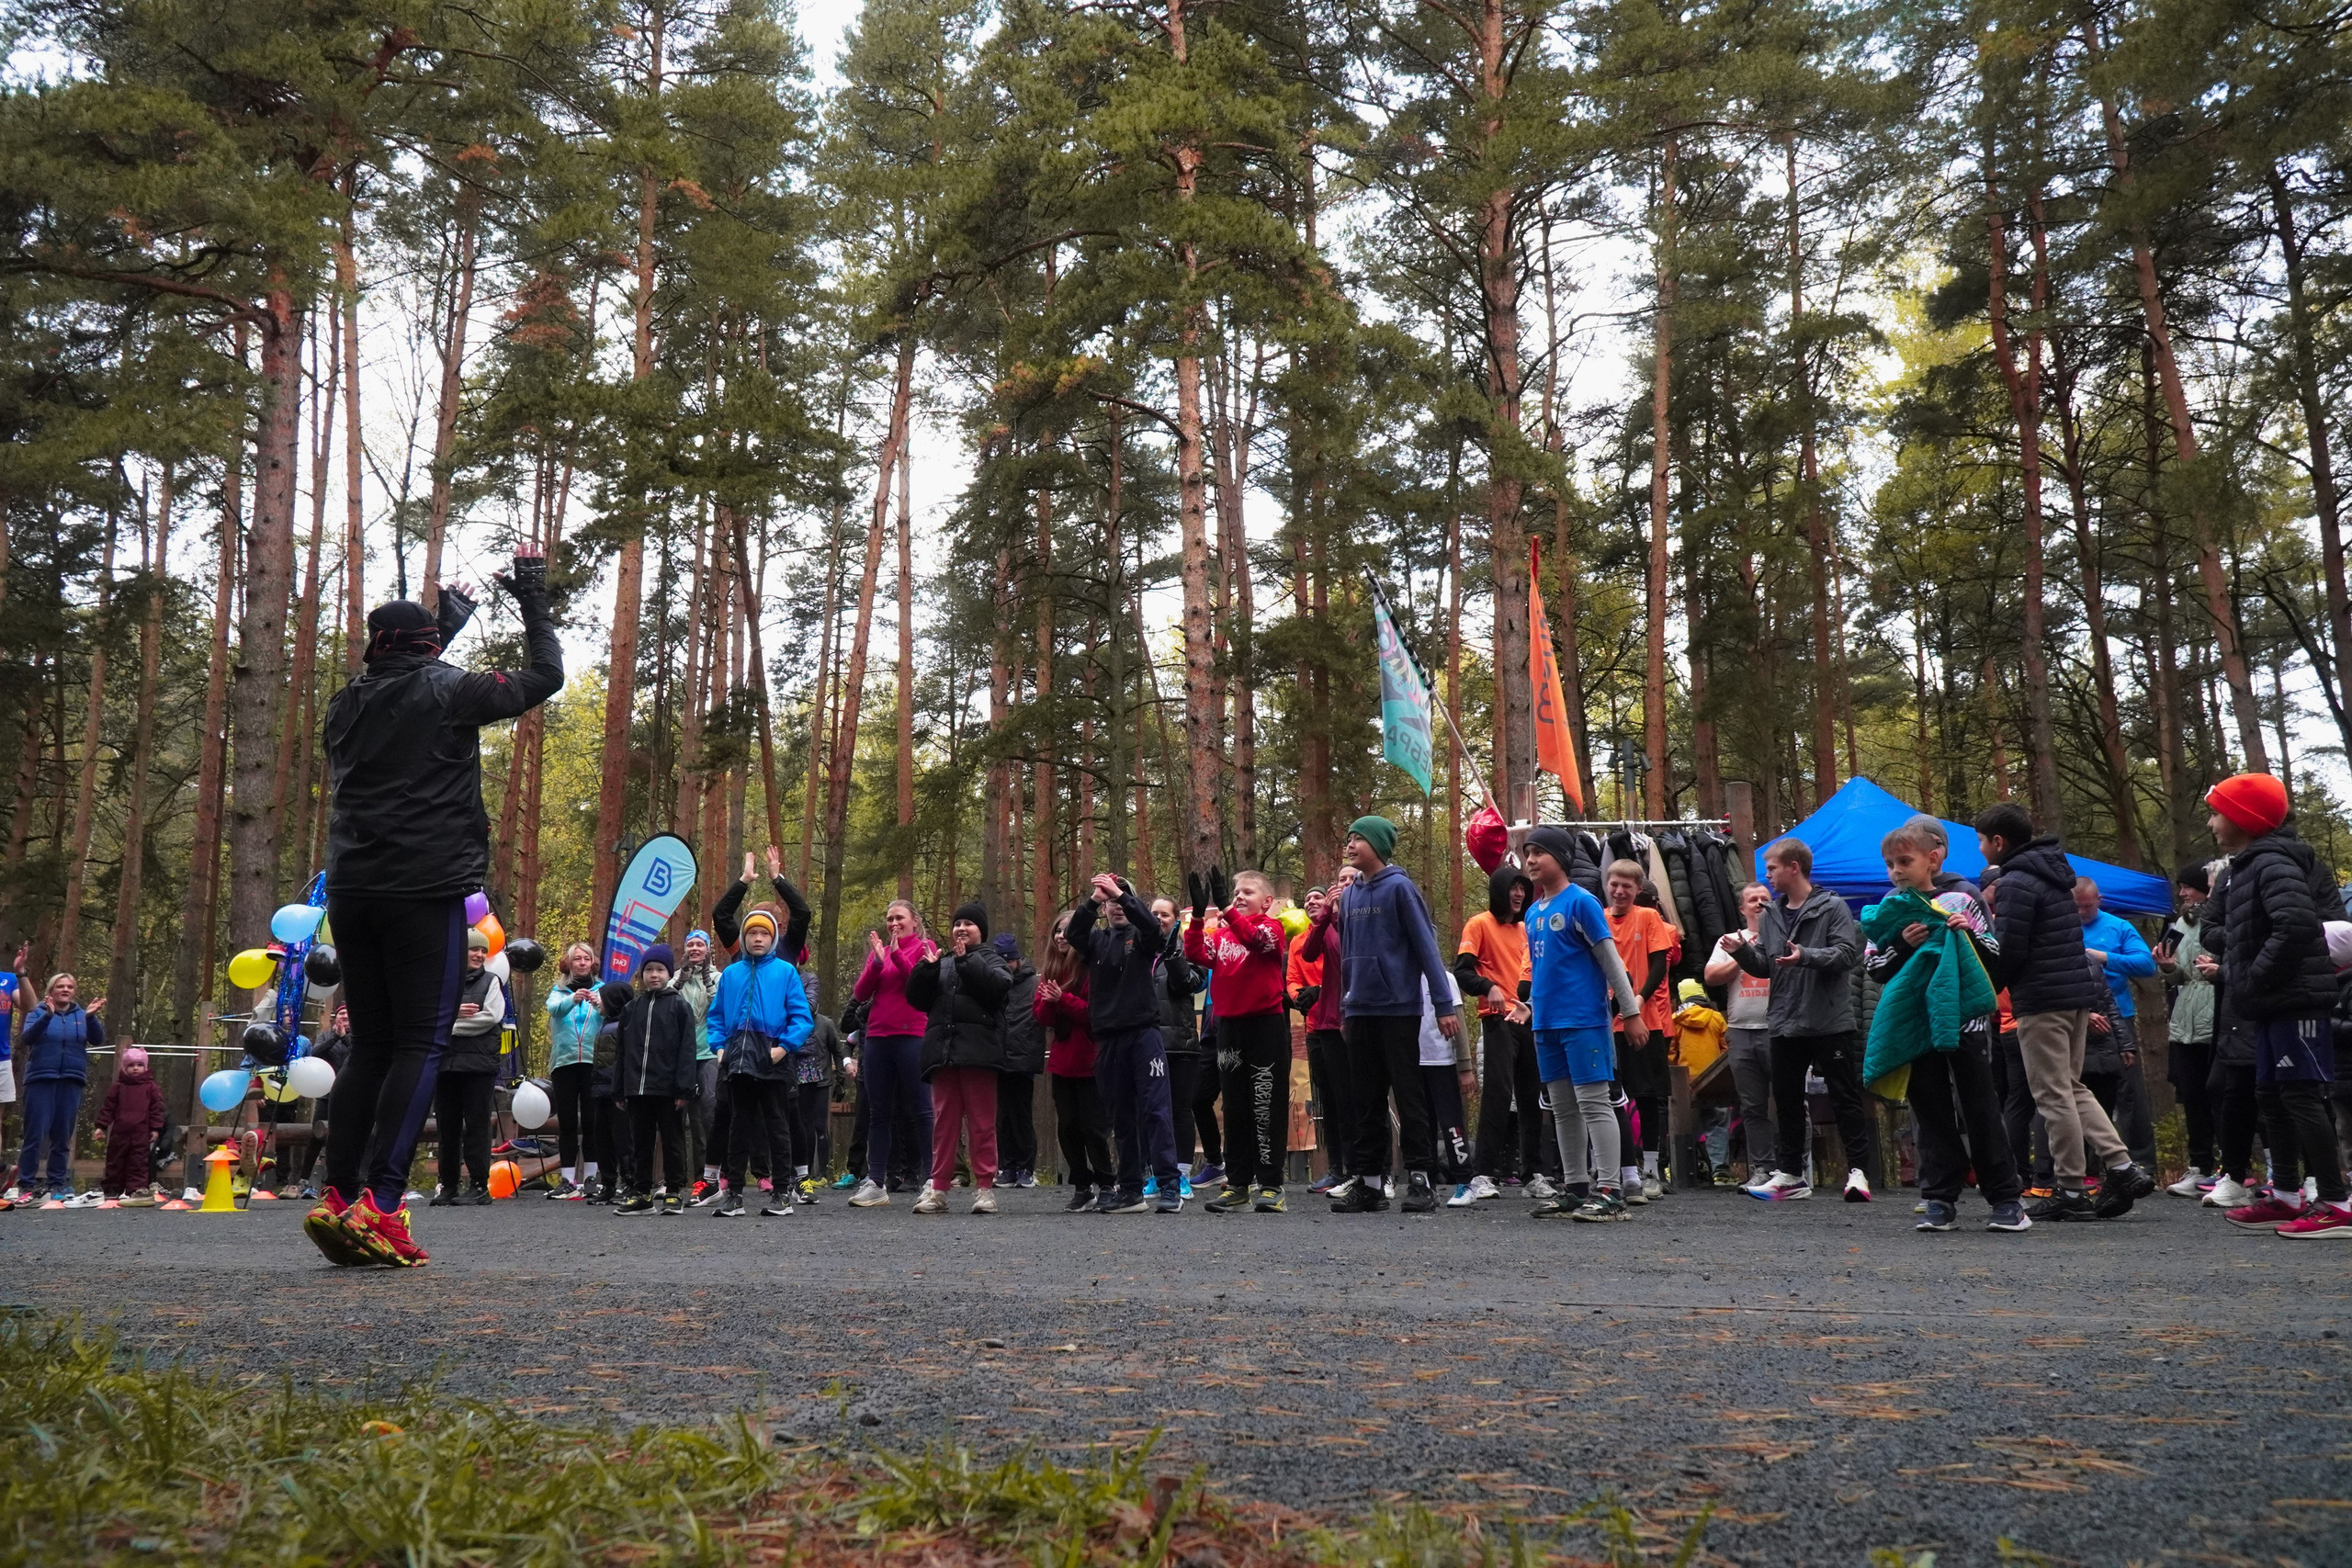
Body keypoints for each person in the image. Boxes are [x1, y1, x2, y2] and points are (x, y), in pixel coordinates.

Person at [305, 545, 560, 1267]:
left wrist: (442, 625)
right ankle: (385, 1205)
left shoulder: (344, 706)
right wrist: (532, 598)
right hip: (423, 890)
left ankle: (339, 1194)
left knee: (373, 1046)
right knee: (421, 1042)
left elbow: (399, 678)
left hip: (353, 892)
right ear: (425, 648)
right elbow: (546, 675)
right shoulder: (449, 692)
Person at [1972, 803, 2153, 1223]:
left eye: (1982, 841)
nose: (1980, 848)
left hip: (2041, 1000)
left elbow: (2011, 949)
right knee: (2070, 1088)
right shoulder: (2054, 876)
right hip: (2076, 996)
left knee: (2051, 1094)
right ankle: (2123, 1166)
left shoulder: (2016, 882)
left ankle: (2071, 1188)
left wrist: (1985, 988)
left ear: (1998, 842)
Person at [2199, 773, 2352, 1237]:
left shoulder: (2274, 863)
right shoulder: (2248, 865)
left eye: (2217, 812)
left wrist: (2252, 976)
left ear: (2243, 819)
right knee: (2271, 1096)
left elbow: (2297, 925)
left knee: (2302, 1096)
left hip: (2294, 999)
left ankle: (2337, 1203)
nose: (2211, 823)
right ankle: (2286, 1193)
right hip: (2271, 1002)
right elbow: (2222, 928)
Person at [1861, 815, 2029, 1233]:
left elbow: (1994, 957)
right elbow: (1875, 967)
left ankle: (2006, 1200)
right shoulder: (1887, 910)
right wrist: (1903, 943)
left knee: (1980, 1108)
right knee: (1931, 1113)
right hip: (1914, 1026)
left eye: (1904, 861)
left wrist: (1967, 934)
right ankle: (1939, 1199)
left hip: (1964, 1024)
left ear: (1933, 859)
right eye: (1890, 865)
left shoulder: (1963, 898)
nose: (1896, 871)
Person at [1328, 817, 1460, 1216]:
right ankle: (1368, 1183)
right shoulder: (1349, 896)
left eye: (1358, 839)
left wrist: (1443, 1005)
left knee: (1409, 1095)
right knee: (1365, 1100)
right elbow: (1347, 956)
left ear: (1379, 845)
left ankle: (1420, 1180)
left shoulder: (1401, 888)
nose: (1350, 845)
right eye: (1348, 837)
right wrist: (1346, 1007)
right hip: (1361, 1008)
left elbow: (1426, 948)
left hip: (1399, 1008)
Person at [1731, 838, 1874, 1203]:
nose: (1768, 876)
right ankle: (1792, 1174)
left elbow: (1846, 954)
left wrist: (1806, 955)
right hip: (1784, 1019)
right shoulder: (1771, 914)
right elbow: (1764, 965)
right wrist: (1742, 952)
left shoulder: (1833, 907)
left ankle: (1858, 1172)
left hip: (1828, 1018)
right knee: (1787, 1098)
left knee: (1844, 1096)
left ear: (1794, 867)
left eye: (1773, 867)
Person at [1521, 828, 1645, 1220]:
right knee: (1561, 1108)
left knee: (1594, 1103)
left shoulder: (1583, 902)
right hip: (1546, 1024)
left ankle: (1609, 1189)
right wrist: (1528, 1006)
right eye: (1528, 853)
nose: (1531, 860)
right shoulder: (1533, 911)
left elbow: (1611, 962)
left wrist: (1631, 1012)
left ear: (1560, 857)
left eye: (1539, 852)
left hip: (1584, 1021)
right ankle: (1575, 1187)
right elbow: (1544, 969)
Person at [1068, 874, 1183, 1214]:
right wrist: (1093, 901)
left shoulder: (1142, 937)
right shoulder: (1097, 940)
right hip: (1107, 1039)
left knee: (1155, 1111)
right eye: (1110, 902)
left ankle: (1169, 1185)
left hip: (1143, 1035)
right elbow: (1073, 934)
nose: (1117, 906)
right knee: (1120, 1116)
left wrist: (1122, 895)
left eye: (1122, 900)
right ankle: (1130, 1190)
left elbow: (1153, 928)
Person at [1188, 869, 1295, 1213]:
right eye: (1234, 892)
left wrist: (1226, 910)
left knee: (1265, 1105)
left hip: (1265, 1026)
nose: (1237, 896)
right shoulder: (1221, 937)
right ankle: (1237, 1184)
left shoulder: (1271, 928)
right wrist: (1196, 916)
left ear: (1267, 902)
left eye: (1246, 892)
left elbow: (1258, 941)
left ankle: (1270, 1185)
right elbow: (1196, 955)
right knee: (1233, 1107)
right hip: (1229, 1029)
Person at [707, 908, 816, 1217]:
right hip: (737, 1058)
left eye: (764, 933)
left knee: (777, 1125)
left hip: (772, 1058)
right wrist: (719, 1049)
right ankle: (735, 1194)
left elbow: (801, 1017)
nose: (757, 938)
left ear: (773, 938)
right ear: (743, 937)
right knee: (738, 1126)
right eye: (752, 933)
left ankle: (782, 1193)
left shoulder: (785, 971)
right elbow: (715, 1017)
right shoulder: (731, 973)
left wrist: (784, 1048)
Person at [905, 901, 1012, 1214]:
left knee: (981, 1124)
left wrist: (967, 963)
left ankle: (985, 1189)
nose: (962, 928)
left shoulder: (993, 960)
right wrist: (925, 971)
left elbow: (997, 990)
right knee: (943, 1125)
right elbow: (917, 999)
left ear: (982, 931)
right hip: (944, 1054)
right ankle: (938, 1189)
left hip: (979, 1054)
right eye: (957, 923)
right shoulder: (942, 961)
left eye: (969, 924)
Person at [1457, 864, 1540, 1202]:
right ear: (1499, 891)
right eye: (1512, 888)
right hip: (1497, 1019)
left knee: (1533, 1095)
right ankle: (1481, 1174)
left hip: (1530, 1017)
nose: (1518, 894)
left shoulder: (1529, 929)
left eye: (1523, 888)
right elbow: (1461, 970)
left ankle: (1535, 1174)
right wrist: (1487, 985)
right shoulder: (1479, 924)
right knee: (1498, 1094)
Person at [847, 900, 937, 1208]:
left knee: (923, 1109)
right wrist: (876, 962)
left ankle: (931, 1180)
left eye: (899, 918)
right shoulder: (879, 953)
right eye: (889, 919)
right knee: (878, 1113)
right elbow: (860, 994)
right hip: (879, 1038)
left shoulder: (925, 946)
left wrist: (896, 955)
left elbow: (919, 982)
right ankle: (876, 1181)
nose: (893, 923)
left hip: (913, 1036)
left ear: (914, 921)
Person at [1603, 860, 1678, 1201]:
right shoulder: (1599, 918)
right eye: (1614, 884)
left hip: (1645, 1020)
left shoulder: (1648, 918)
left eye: (1627, 887)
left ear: (1637, 890)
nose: (1619, 891)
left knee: (1648, 1096)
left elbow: (1660, 962)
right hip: (1606, 1022)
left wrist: (1637, 999)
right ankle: (1614, 1168)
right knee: (1610, 1097)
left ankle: (1651, 1168)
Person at [2075, 878, 2159, 1173]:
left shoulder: (2118, 926)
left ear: (2100, 898)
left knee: (2128, 1091)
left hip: (2115, 1018)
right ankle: (2088, 1166)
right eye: (2078, 907)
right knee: (2082, 1092)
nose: (2083, 912)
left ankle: (2142, 1162)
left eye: (2088, 906)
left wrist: (2106, 958)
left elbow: (2147, 965)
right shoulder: (2062, 926)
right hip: (2075, 1018)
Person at [1036, 909, 1113, 1210]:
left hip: (1091, 1061)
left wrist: (1063, 999)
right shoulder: (1051, 971)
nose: (1060, 936)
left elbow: (1095, 1015)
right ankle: (1082, 1186)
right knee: (1067, 1127)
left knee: (1093, 1128)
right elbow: (1042, 1018)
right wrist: (1049, 1002)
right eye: (1057, 930)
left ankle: (1107, 1183)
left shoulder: (1092, 968)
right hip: (1062, 1062)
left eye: (1066, 931)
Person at [615, 944, 699, 1214]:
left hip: (669, 1089)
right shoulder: (631, 1009)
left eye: (660, 970)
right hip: (638, 1088)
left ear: (669, 973)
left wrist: (684, 1087)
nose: (654, 975)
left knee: (673, 1139)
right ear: (641, 974)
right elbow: (622, 1051)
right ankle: (641, 1192)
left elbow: (687, 1050)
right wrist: (619, 1089)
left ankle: (674, 1190)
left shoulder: (680, 1006)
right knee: (641, 1141)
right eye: (649, 970)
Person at [1702, 883, 1777, 1185]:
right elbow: (1710, 975)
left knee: (1791, 1101)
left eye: (1764, 899)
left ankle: (1795, 1166)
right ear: (1742, 909)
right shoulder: (1730, 940)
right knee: (1752, 1105)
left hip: (1779, 1030)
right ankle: (1762, 1168)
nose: (1759, 903)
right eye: (1752, 900)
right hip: (1740, 1030)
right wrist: (1742, 956)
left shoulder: (1784, 935)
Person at [1298, 865, 1363, 1199]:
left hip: (1356, 1020)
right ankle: (1339, 1168)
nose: (1345, 885)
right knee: (1333, 1101)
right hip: (1324, 1022)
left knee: (1358, 1098)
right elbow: (1308, 952)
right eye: (1340, 880)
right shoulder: (1326, 924)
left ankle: (1366, 1170)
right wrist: (1325, 914)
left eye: (1352, 879)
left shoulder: (1362, 920)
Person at [2154, 866, 2219, 1197]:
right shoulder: (2181, 924)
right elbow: (2180, 975)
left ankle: (2232, 1170)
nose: (2182, 894)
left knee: (2222, 1096)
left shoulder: (2225, 920)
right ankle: (2200, 1167)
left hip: (2217, 1013)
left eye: (2188, 888)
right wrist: (2167, 967)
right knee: (2192, 1096)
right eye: (2181, 888)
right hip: (2185, 1019)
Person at [431, 929, 506, 1206]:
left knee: (477, 1125)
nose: (479, 955)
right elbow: (428, 1017)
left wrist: (446, 1025)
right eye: (474, 949)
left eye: (483, 951)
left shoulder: (491, 982)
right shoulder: (443, 982)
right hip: (445, 1065)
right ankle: (448, 1185)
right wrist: (452, 1014)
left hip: (478, 1065)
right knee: (446, 1127)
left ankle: (478, 1185)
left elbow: (489, 1017)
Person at [17, 974, 105, 1206]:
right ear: (51, 990)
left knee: (62, 1136)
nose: (65, 990)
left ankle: (58, 1184)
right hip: (41, 1079)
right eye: (60, 986)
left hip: (71, 1079)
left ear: (74, 991)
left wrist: (92, 1018)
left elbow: (97, 1040)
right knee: (35, 1134)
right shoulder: (38, 1011)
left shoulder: (81, 1015)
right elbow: (28, 1038)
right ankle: (26, 1185)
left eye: (70, 986)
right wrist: (48, 1016)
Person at [1150, 898, 1204, 1196]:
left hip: (1181, 1045)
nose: (1159, 918)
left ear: (1175, 920)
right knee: (1151, 1112)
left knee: (1180, 1111)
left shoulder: (1188, 951)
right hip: (1148, 1044)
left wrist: (1173, 954)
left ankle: (1182, 1174)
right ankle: (1155, 1174)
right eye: (1154, 914)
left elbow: (1189, 983)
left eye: (1165, 914)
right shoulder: (1141, 951)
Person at [543, 942, 604, 1200]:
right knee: (567, 1122)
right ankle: (567, 1179)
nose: (581, 963)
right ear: (569, 963)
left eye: (585, 959)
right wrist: (572, 998)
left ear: (592, 963)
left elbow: (612, 1014)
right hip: (564, 1063)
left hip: (592, 1062)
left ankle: (591, 1177)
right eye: (576, 959)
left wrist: (599, 1003)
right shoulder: (558, 992)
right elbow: (554, 1010)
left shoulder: (602, 990)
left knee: (592, 1121)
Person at [671, 930, 721, 1202]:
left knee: (707, 1116)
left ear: (708, 949)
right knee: (676, 1118)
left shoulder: (717, 978)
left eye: (699, 944)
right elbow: (665, 1004)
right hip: (680, 1057)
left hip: (709, 1052)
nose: (694, 948)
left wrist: (705, 980)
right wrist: (680, 981)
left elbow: (720, 1009)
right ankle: (676, 1180)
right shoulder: (677, 979)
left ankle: (709, 1179)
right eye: (690, 944)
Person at [1422, 972, 1477, 1204]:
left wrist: (1465, 1067)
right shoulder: (1400, 977)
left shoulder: (1445, 978)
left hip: (1442, 1062)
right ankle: (1426, 1184)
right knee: (1421, 1126)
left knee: (1451, 1124)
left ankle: (1465, 1182)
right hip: (1411, 1063)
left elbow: (1459, 1022)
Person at [290, 1001, 352, 1200]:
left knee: (345, 1137)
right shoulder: (326, 1035)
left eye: (347, 1016)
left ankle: (335, 1181)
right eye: (341, 1016)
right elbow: (315, 1054)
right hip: (326, 1093)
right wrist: (335, 1036)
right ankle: (303, 1181)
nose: (344, 1019)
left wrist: (345, 1038)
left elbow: (358, 1056)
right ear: (335, 1019)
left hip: (351, 1094)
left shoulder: (359, 1036)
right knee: (317, 1136)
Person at [995, 934, 1043, 1189]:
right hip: (999, 1057)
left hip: (1024, 1057)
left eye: (1008, 962)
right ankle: (1007, 1166)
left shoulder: (1033, 983)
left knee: (1021, 1113)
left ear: (1016, 960)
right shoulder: (995, 983)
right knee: (1001, 1115)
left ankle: (1026, 1167)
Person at [95, 1044, 166, 1204]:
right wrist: (101, 1126)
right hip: (120, 1131)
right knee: (115, 1161)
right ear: (125, 1068)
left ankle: (136, 1190)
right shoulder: (118, 1087)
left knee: (138, 1162)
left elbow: (157, 1109)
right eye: (131, 1065)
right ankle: (112, 1190)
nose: (135, 1069)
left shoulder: (150, 1087)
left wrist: (155, 1129)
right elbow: (109, 1108)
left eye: (139, 1065)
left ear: (145, 1067)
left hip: (141, 1132)